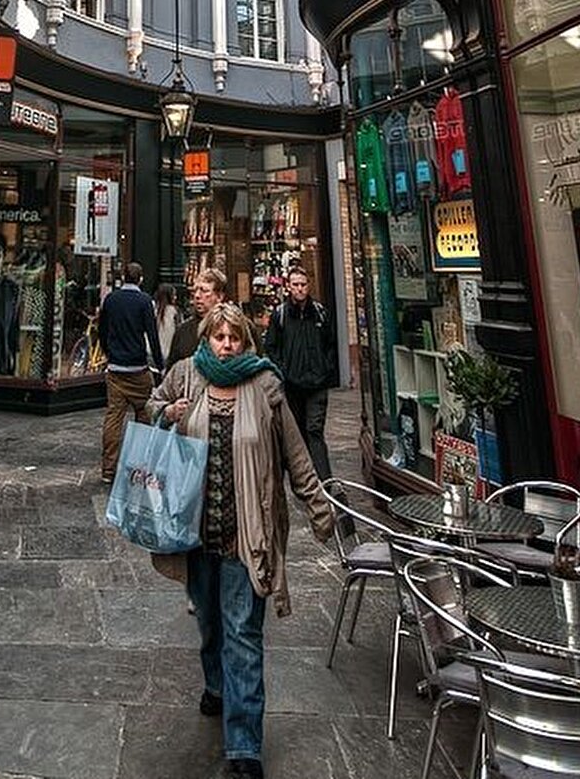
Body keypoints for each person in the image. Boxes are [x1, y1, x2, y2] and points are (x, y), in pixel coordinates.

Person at [149, 301, 333, 779]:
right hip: (194, 534)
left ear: (246, 341)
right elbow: (148, 407)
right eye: (219, 337)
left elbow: (296, 455)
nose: (227, 346)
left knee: (244, 637)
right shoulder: (187, 375)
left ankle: (244, 748)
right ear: (207, 338)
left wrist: (320, 511)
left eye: (235, 338)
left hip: (247, 536)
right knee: (211, 624)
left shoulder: (266, 385)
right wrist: (168, 411)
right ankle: (216, 685)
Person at [261, 265, 337, 480]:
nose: (300, 289)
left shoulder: (320, 312)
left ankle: (325, 482)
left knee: (314, 430)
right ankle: (298, 478)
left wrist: (326, 368)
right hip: (292, 384)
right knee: (293, 432)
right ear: (288, 287)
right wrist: (283, 371)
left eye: (303, 284)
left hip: (317, 383)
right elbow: (272, 346)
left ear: (308, 285)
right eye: (295, 285)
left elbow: (330, 344)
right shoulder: (281, 315)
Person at [97, 261, 163, 483]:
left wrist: (109, 352)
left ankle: (108, 469)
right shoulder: (145, 301)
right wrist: (160, 364)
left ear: (123, 277)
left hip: (116, 369)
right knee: (144, 416)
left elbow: (102, 330)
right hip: (137, 368)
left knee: (113, 418)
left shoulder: (111, 299)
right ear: (141, 278)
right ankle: (138, 467)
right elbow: (152, 334)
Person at [166, 266, 227, 369]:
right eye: (195, 291)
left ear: (219, 297)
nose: (197, 295)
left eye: (204, 291)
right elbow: (171, 371)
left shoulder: (234, 328)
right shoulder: (183, 331)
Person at [153, 282, 180, 363]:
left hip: (152, 354)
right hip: (169, 354)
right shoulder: (175, 312)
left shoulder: (153, 310)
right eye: (174, 295)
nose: (175, 297)